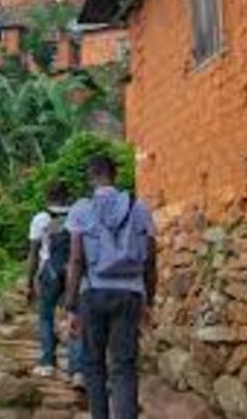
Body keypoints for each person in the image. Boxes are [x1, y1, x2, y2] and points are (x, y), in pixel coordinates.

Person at [63, 155, 157, 419]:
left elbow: (77, 259)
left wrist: (71, 307)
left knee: (93, 364)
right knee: (124, 366)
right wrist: (149, 299)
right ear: (115, 175)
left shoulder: (81, 209)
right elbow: (150, 259)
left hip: (92, 293)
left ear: (91, 176)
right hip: (130, 294)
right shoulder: (139, 208)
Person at [26, 181, 85, 388]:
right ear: (67, 195)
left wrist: (28, 283)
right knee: (76, 317)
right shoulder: (78, 216)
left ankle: (48, 362)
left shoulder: (40, 219)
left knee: (46, 317)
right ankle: (78, 370)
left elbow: (33, 254)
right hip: (73, 272)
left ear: (46, 197)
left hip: (49, 273)